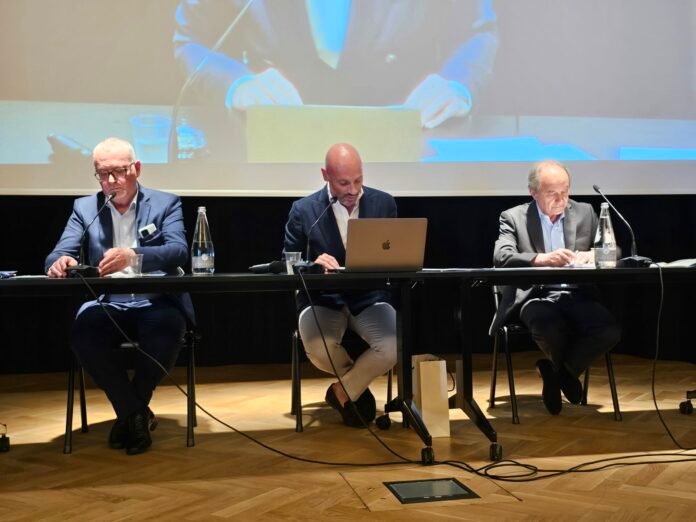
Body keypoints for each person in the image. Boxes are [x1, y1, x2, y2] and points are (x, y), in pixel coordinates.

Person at [45, 137, 195, 454]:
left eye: (118, 172)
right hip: (107, 301)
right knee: (84, 337)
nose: (111, 181)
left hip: (155, 299)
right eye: (103, 174)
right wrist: (60, 261)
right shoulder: (85, 208)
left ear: (136, 169)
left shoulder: (166, 203)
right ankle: (135, 413)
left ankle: (129, 413)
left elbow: (179, 251)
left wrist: (134, 256)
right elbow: (58, 253)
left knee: (167, 332)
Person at [173, 0, 498, 129]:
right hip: (274, 147)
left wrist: (456, 84)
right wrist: (238, 85)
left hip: (406, 142)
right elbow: (191, 39)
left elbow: (477, 32)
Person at [491, 160, 621, 415]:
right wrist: (540, 259)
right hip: (535, 295)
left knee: (609, 330)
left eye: (565, 191)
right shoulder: (514, 217)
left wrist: (592, 255)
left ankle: (557, 373)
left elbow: (614, 250)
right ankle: (563, 374)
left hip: (577, 293)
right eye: (552, 193)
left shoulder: (585, 212)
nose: (561, 199)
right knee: (549, 325)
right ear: (533, 192)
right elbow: (501, 257)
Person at [283, 143, 397, 426]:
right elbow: (289, 263)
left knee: (394, 345)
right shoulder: (303, 210)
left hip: (369, 297)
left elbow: (395, 254)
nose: (353, 190)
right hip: (322, 299)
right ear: (326, 176)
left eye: (358, 180)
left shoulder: (384, 203)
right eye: (344, 183)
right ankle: (356, 388)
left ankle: (342, 391)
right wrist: (313, 263)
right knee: (319, 350)